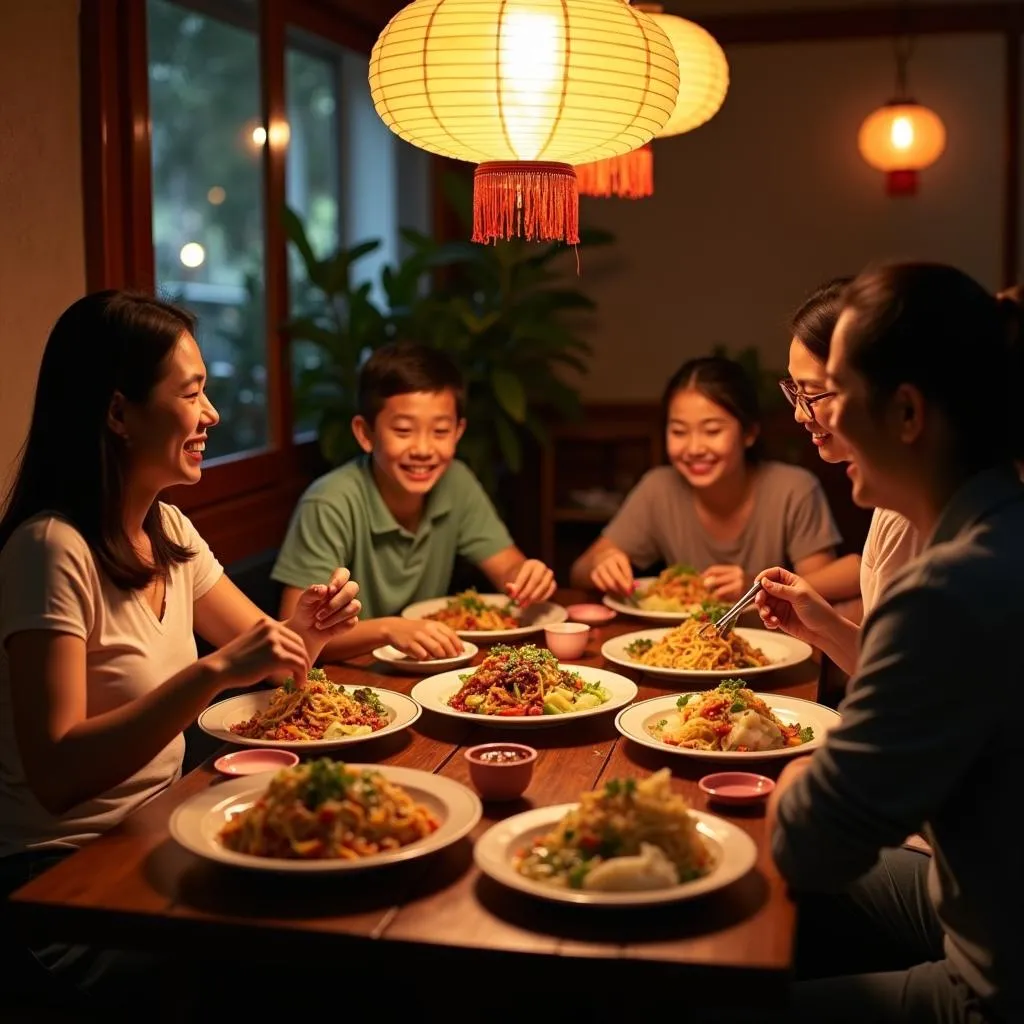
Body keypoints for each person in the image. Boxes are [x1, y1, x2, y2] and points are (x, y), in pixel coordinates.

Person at [0, 291, 361, 1006]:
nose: (212, 416)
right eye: (192, 394)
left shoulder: (168, 530)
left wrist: (313, 630)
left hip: (160, 833)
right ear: (117, 413)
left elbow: (278, 656)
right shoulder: (50, 548)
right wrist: (216, 671)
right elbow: (56, 772)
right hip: (60, 881)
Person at [760, 263, 1024, 1023]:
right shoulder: (994, 528)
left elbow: (812, 845)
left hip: (990, 987)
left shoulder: (949, 589)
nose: (821, 422)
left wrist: (800, 779)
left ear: (907, 413)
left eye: (836, 394)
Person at [271, 341, 556, 661]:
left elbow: (509, 568)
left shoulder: (456, 481)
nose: (423, 449)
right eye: (404, 430)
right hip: (346, 681)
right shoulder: (329, 502)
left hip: (424, 670)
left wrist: (527, 576)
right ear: (365, 434)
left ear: (458, 432)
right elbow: (293, 636)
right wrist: (390, 629)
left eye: (440, 431)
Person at [569, 355, 840, 603]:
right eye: (679, 431)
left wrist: (757, 584)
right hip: (685, 645)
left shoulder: (793, 489)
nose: (694, 448)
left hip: (778, 646)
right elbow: (579, 571)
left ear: (749, 433)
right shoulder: (659, 488)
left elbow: (828, 584)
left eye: (711, 431)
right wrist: (602, 563)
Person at [768, 278, 920, 673]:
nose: (800, 414)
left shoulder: (920, 513)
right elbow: (895, 672)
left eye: (813, 393)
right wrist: (823, 628)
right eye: (794, 391)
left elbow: (914, 698)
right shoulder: (895, 503)